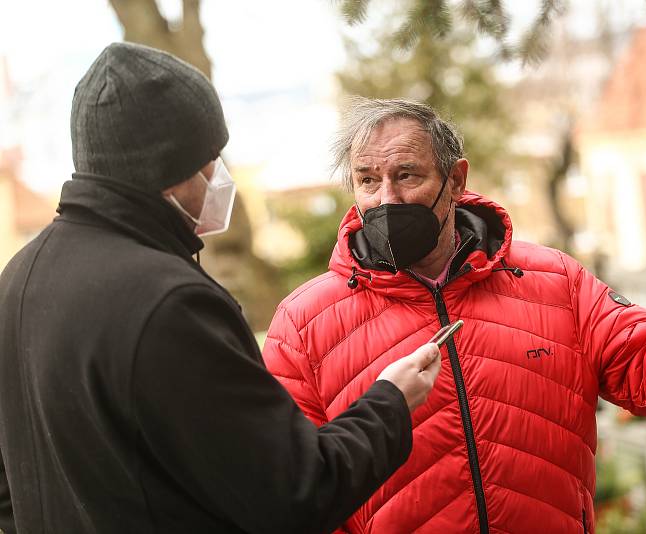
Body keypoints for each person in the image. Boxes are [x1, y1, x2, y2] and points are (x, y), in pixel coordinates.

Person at [262, 97, 646, 533]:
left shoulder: (556, 282)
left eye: (406, 174)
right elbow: (296, 488)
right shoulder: (303, 326)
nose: (386, 198)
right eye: (368, 181)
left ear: (456, 180)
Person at [0, 44, 442, 534]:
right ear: (171, 171)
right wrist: (390, 403)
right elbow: (294, 491)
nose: (219, 177)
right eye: (210, 159)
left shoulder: (17, 279)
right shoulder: (168, 303)